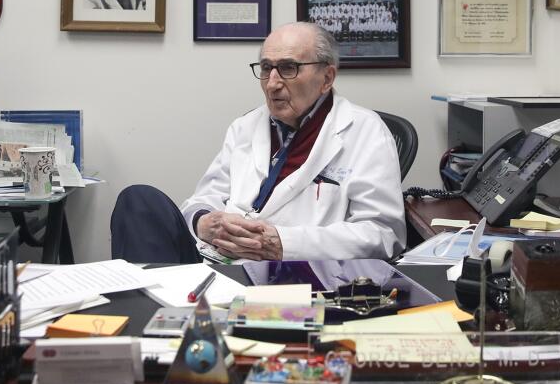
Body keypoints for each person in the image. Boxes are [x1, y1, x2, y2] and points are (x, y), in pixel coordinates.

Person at [109, 22, 405, 263]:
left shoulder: (365, 132)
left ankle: (169, 318)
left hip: (294, 271)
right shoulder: (246, 126)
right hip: (217, 260)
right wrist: (205, 222)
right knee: (138, 201)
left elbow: (382, 234)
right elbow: (204, 197)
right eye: (266, 68)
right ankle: (153, 323)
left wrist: (283, 244)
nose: (273, 83)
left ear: (327, 78)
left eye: (288, 68)